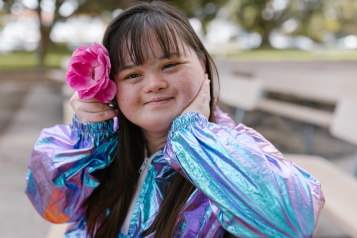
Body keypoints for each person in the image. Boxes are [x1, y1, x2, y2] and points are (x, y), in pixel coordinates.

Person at [25, 1, 324, 238]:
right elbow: (53, 207)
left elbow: (292, 223)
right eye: (133, 74)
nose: (153, 84)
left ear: (202, 63)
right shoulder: (103, 147)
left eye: (170, 65)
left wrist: (193, 136)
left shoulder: (233, 149)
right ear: (110, 86)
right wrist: (87, 139)